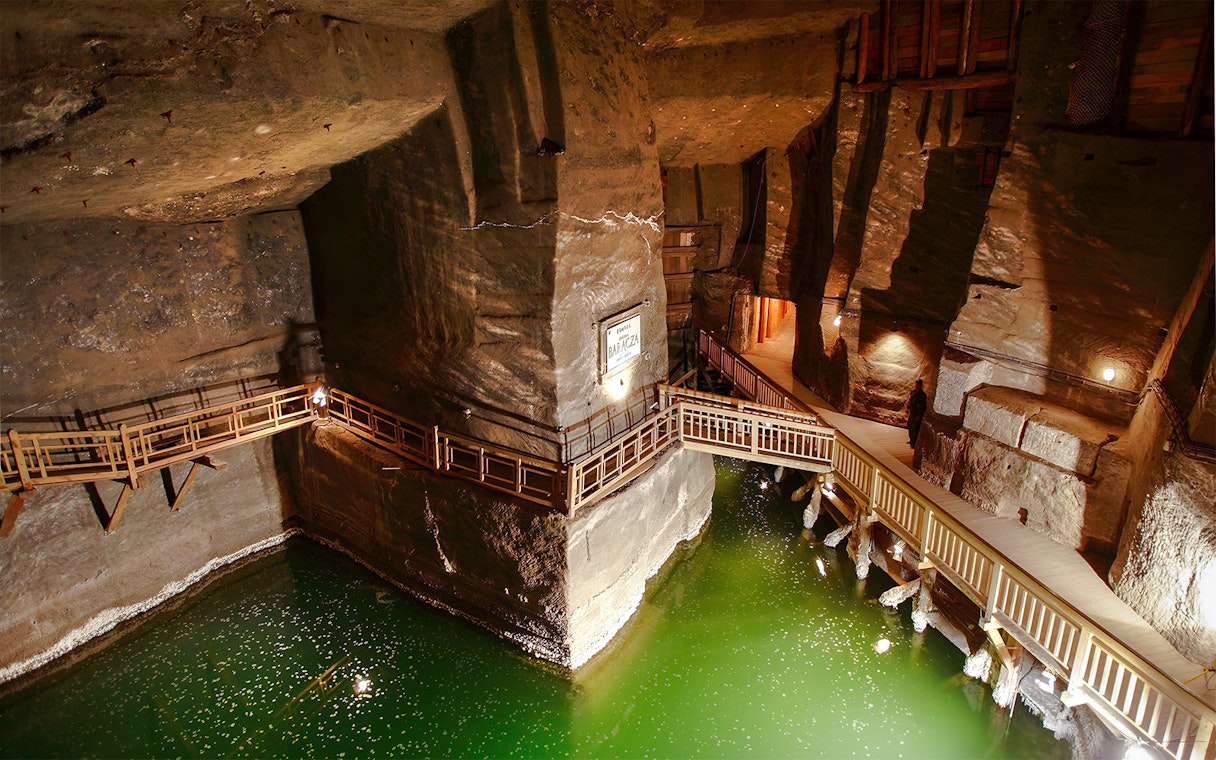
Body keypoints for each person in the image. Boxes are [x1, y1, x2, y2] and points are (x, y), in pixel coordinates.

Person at [907, 379, 927, 447]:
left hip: (917, 413)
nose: (916, 385)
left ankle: (914, 443)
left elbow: (922, 406)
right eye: (916, 384)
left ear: (920, 385)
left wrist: (919, 415)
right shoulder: (913, 392)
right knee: (910, 426)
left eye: (918, 384)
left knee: (915, 428)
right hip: (912, 412)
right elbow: (910, 400)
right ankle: (911, 440)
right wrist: (908, 407)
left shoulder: (922, 395)